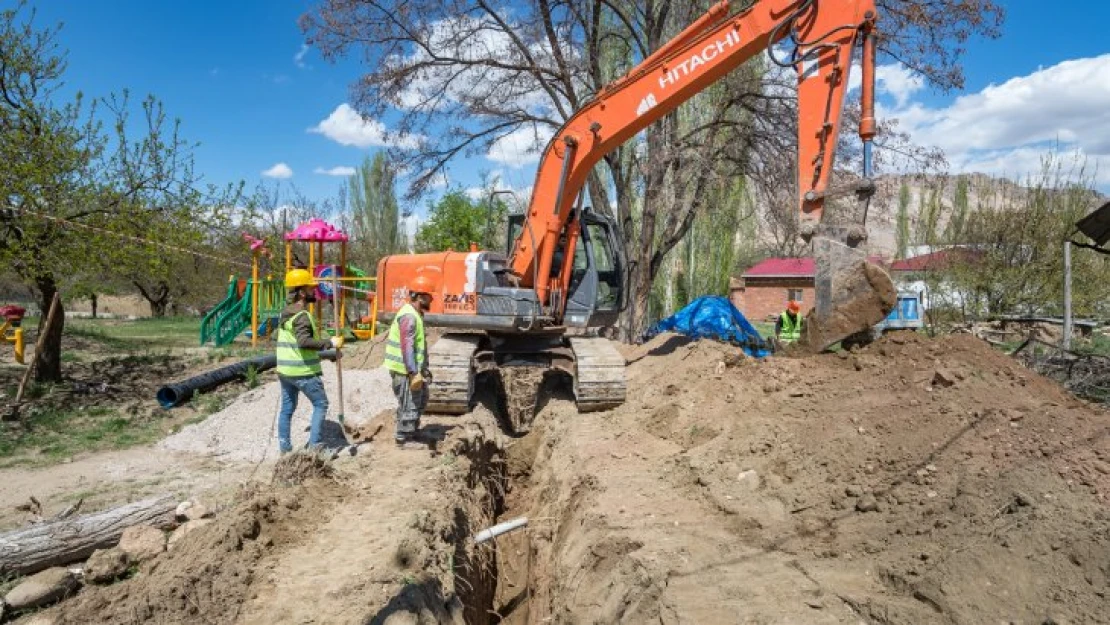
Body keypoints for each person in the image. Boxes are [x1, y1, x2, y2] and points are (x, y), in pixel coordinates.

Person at [275, 268, 343, 453]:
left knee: (287, 409)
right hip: (302, 372)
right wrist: (330, 343)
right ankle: (316, 449)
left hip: (285, 372)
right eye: (311, 288)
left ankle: (285, 448)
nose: (315, 291)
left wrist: (328, 353)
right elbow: (304, 342)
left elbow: (295, 345)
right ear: (302, 292)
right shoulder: (302, 316)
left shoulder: (285, 313)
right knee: (321, 404)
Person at [384, 275, 434, 446]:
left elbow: (418, 346)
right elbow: (407, 347)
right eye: (429, 296)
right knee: (409, 403)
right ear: (419, 297)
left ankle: (412, 432)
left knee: (419, 400)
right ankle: (403, 438)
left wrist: (423, 369)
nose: (431, 300)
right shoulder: (409, 316)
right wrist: (413, 372)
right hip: (404, 370)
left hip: (411, 369)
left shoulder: (415, 314)